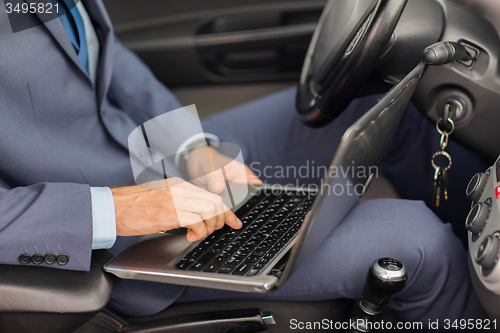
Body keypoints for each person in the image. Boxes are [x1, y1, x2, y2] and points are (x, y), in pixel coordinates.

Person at [0, 0, 486, 327]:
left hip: (153, 154)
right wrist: (117, 209)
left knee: (385, 113)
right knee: (419, 244)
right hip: (103, 242)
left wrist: (192, 146)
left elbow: (109, 62)